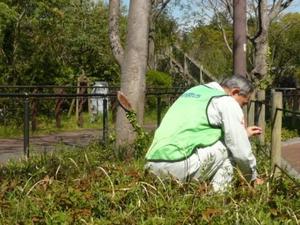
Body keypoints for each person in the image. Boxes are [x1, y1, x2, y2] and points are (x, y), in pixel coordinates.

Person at [145, 75, 263, 192]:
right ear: (235, 92)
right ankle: (217, 200)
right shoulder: (226, 101)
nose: (242, 108)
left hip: (151, 165)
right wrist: (252, 178)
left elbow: (196, 130)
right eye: (243, 104)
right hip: (178, 166)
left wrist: (243, 134)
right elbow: (239, 149)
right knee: (232, 150)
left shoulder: (195, 91)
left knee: (230, 144)